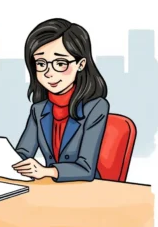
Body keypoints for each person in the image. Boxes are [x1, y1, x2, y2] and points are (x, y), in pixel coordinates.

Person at [13, 18, 109, 182]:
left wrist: (47, 171)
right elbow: (23, 153)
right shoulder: (39, 109)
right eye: (41, 64)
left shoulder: (96, 107)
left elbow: (86, 168)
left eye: (60, 63)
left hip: (84, 190)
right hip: (51, 189)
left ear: (81, 64)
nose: (49, 73)